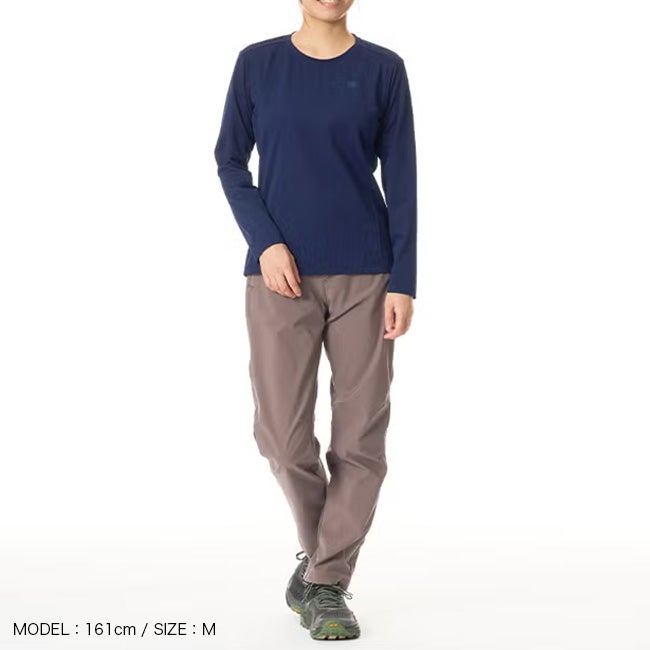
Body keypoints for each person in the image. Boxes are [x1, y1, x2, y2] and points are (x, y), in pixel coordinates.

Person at [214, 0, 417, 640]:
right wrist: (266, 242)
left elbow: (403, 178)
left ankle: (325, 583)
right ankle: (322, 556)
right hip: (279, 274)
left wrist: (404, 280)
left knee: (360, 441)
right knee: (279, 434)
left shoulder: (384, 69)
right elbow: (229, 160)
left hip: (367, 274)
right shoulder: (257, 65)